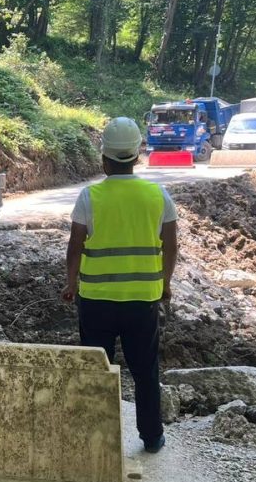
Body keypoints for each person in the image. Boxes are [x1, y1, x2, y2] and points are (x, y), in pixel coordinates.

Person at [61, 117, 178, 453]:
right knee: (145, 370)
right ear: (137, 156)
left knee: (98, 370)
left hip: (96, 300)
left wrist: (71, 284)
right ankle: (152, 436)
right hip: (142, 301)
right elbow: (170, 246)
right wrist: (165, 284)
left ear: (104, 159)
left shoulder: (89, 197)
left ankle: (97, 437)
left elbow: (75, 247)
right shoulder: (159, 196)